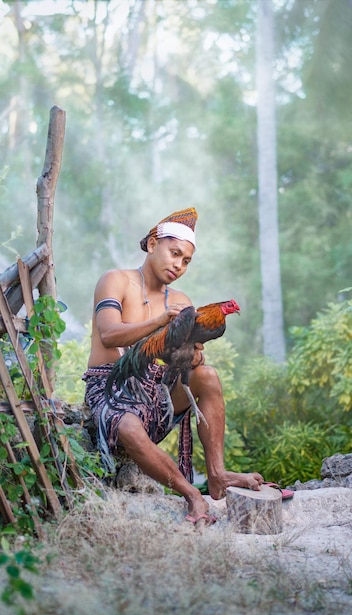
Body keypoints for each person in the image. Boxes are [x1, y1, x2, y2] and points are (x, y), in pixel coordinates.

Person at [83, 207, 263, 525]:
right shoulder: (116, 281)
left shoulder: (181, 299)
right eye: (175, 253)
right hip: (111, 392)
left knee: (206, 375)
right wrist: (159, 323)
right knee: (126, 425)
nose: (179, 265)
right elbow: (109, 335)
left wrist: (193, 356)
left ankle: (218, 475)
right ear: (153, 244)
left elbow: (187, 360)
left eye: (186, 261)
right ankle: (192, 494)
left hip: (158, 398)